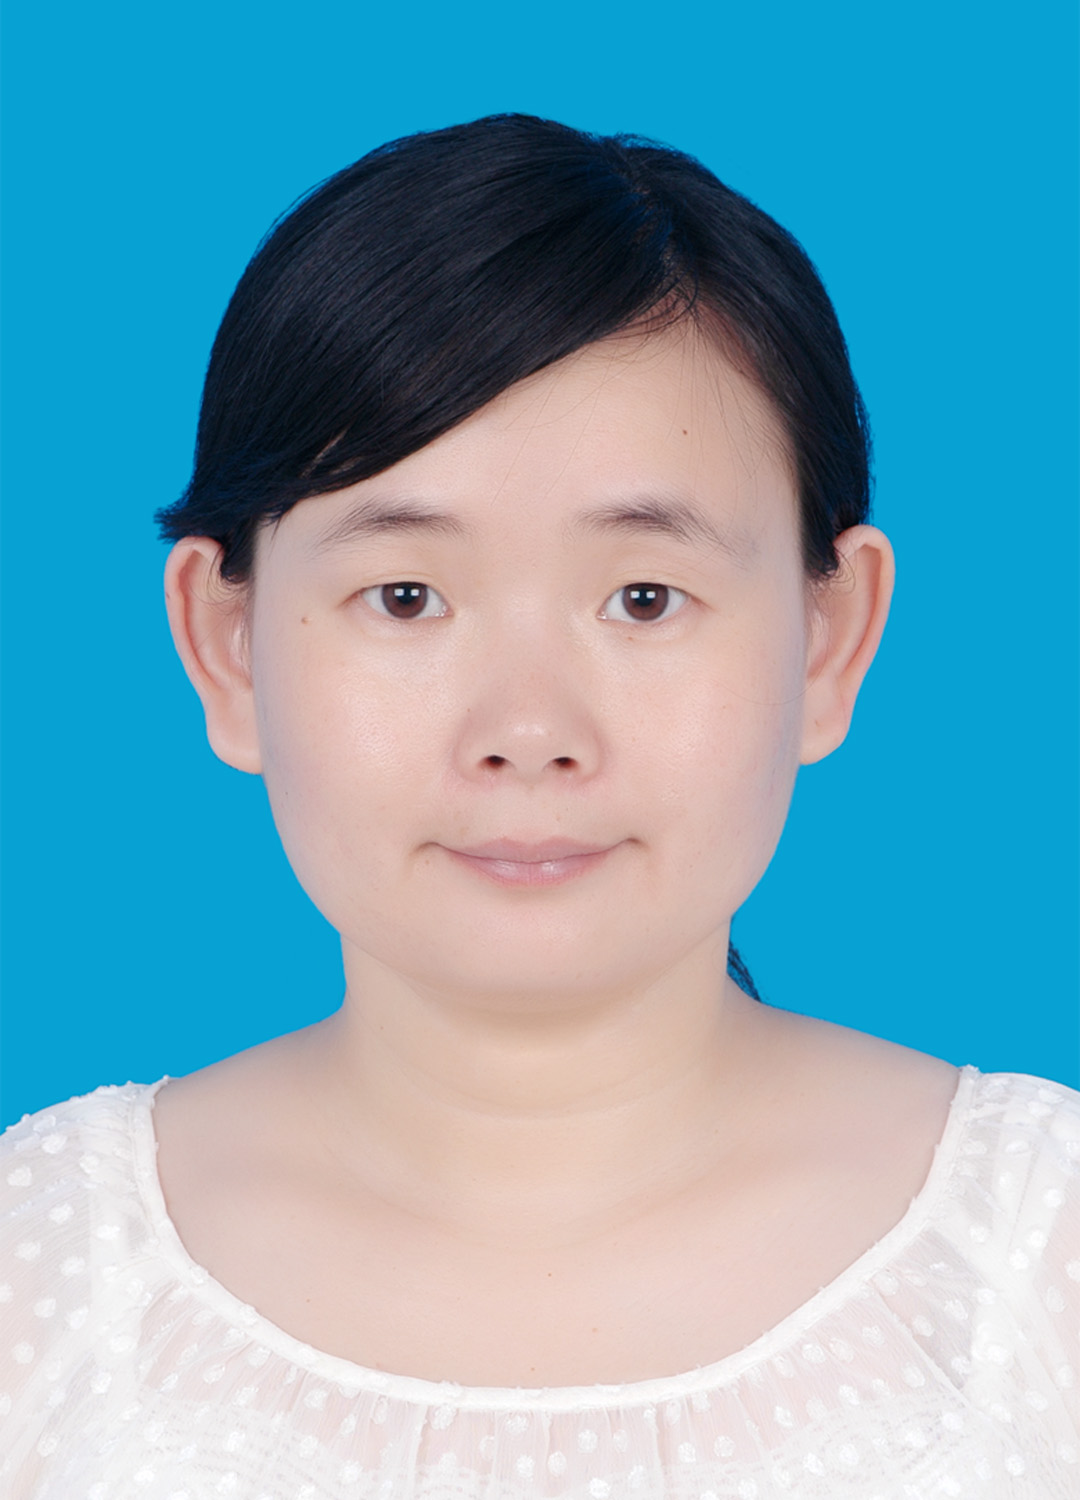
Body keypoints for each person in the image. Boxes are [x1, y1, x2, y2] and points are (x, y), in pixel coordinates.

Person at [1, 113, 1076, 1499]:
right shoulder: (43, 1276)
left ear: (829, 640)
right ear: (228, 648)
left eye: (645, 598)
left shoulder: (1037, 1264)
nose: (527, 733)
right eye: (405, 598)